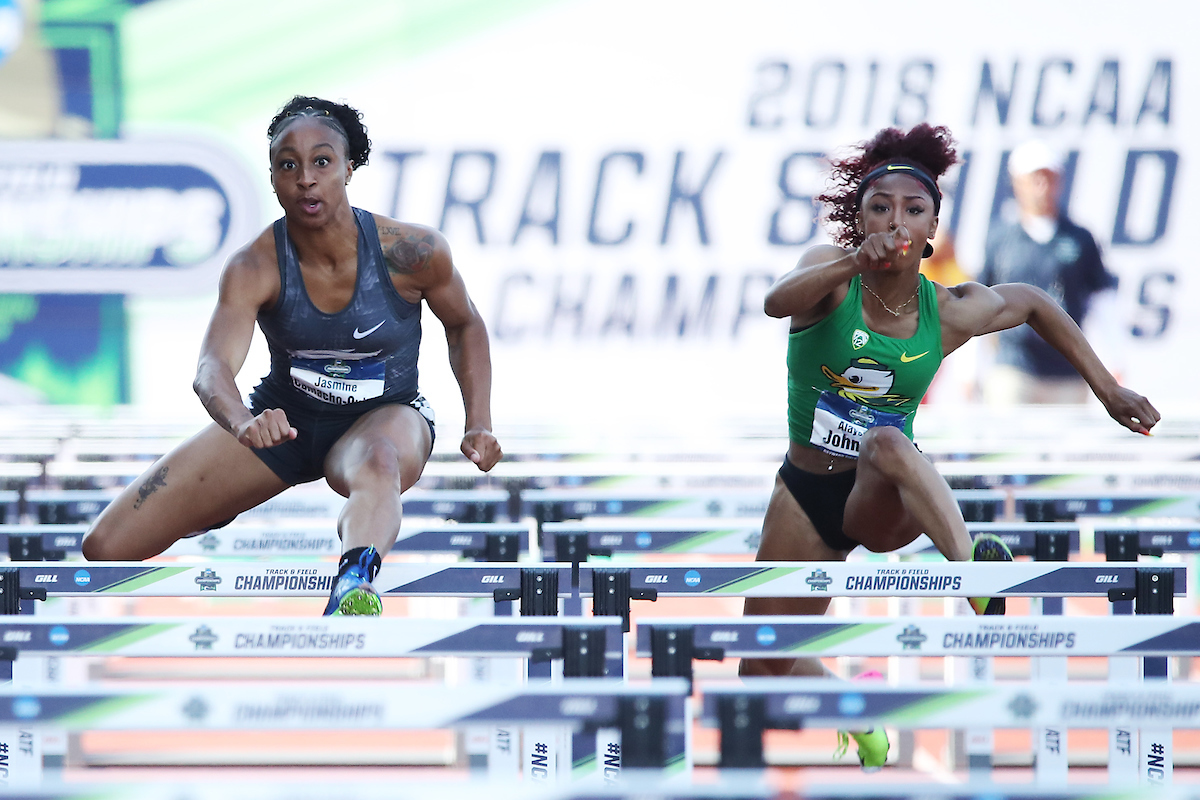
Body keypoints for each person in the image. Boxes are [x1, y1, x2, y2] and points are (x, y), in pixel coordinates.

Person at [740, 124, 1158, 768]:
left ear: (933, 227)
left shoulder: (950, 310)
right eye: (880, 207)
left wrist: (1107, 390)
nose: (896, 220)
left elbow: (1035, 304)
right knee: (761, 667)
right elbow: (773, 304)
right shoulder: (826, 275)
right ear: (861, 217)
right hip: (806, 491)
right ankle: (864, 712)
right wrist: (855, 260)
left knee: (886, 441)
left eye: (913, 210)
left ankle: (974, 572)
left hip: (883, 496)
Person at [82, 96, 502, 616]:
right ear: (274, 177)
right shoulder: (254, 266)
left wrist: (478, 421)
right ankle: (212, 509)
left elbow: (464, 324)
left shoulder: (411, 251)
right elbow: (212, 367)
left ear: (349, 168)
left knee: (378, 460)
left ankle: (354, 584)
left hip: (387, 417)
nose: (305, 178)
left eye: (321, 161)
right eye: (288, 164)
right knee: (104, 548)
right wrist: (242, 423)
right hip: (286, 422)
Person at [980, 140, 1118, 404]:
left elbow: (1102, 299)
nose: (1042, 187)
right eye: (1034, 179)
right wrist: (969, 371)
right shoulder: (999, 238)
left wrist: (1114, 360)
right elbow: (978, 303)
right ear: (1017, 183)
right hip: (1014, 368)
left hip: (1068, 368)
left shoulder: (1079, 238)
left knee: (1066, 444)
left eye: (1049, 178)